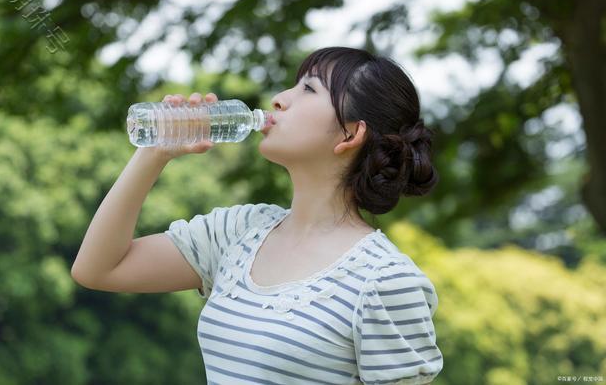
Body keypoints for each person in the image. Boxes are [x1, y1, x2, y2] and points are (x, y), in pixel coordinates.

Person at [72, 46, 443, 384]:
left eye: (309, 90)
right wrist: (155, 153)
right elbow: (99, 268)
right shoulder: (240, 232)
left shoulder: (385, 281)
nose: (280, 100)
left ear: (350, 134)